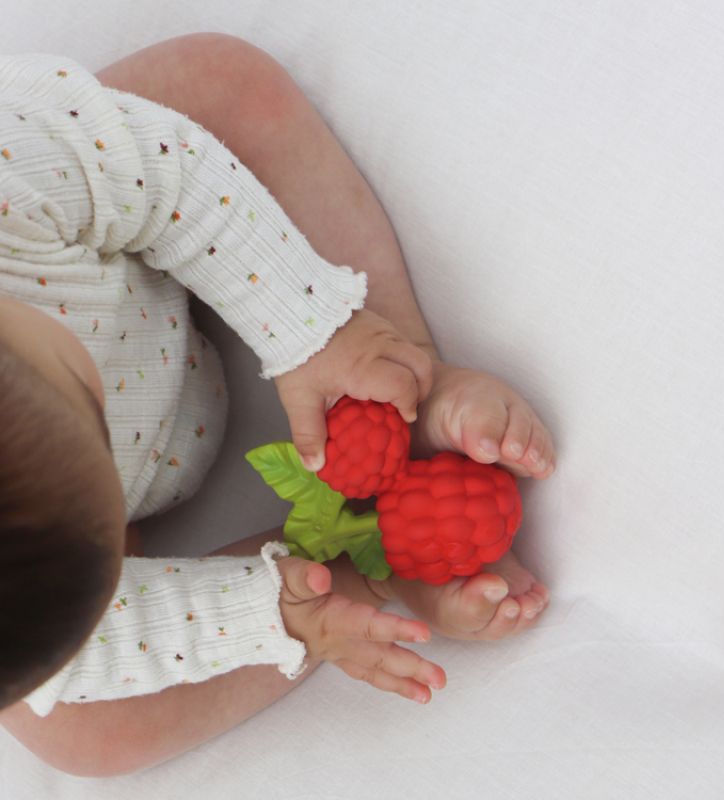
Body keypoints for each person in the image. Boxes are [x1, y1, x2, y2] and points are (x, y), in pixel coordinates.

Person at [0, 33, 555, 776]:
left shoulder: (12, 172)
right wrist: (264, 615)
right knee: (78, 733)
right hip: (67, 557)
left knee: (217, 86)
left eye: (79, 392)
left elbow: (161, 173)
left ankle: (394, 370)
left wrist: (307, 328)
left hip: (124, 242)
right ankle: (356, 560)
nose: (101, 413)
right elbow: (87, 651)